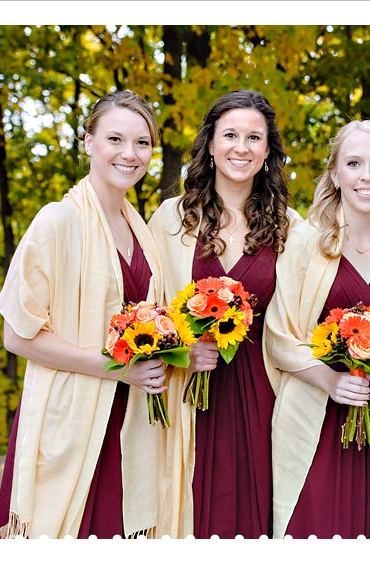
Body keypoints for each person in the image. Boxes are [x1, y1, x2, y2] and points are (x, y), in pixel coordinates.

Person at [0, 90, 166, 538]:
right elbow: (17, 336)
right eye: (115, 139)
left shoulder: (139, 229)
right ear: (88, 141)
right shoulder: (58, 221)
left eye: (142, 143)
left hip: (124, 423)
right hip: (68, 423)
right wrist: (118, 369)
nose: (130, 154)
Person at [148, 89, 293, 538]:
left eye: (254, 137)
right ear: (210, 144)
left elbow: (299, 319)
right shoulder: (172, 218)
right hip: (189, 388)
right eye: (230, 134)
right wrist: (181, 351)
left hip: (261, 390)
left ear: (267, 151)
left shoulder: (291, 226)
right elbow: (147, 307)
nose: (241, 147)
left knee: (257, 515)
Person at [264, 120, 370, 539]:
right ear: (335, 173)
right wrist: (330, 380)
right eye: (354, 163)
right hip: (319, 414)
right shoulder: (305, 241)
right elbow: (279, 336)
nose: (367, 176)